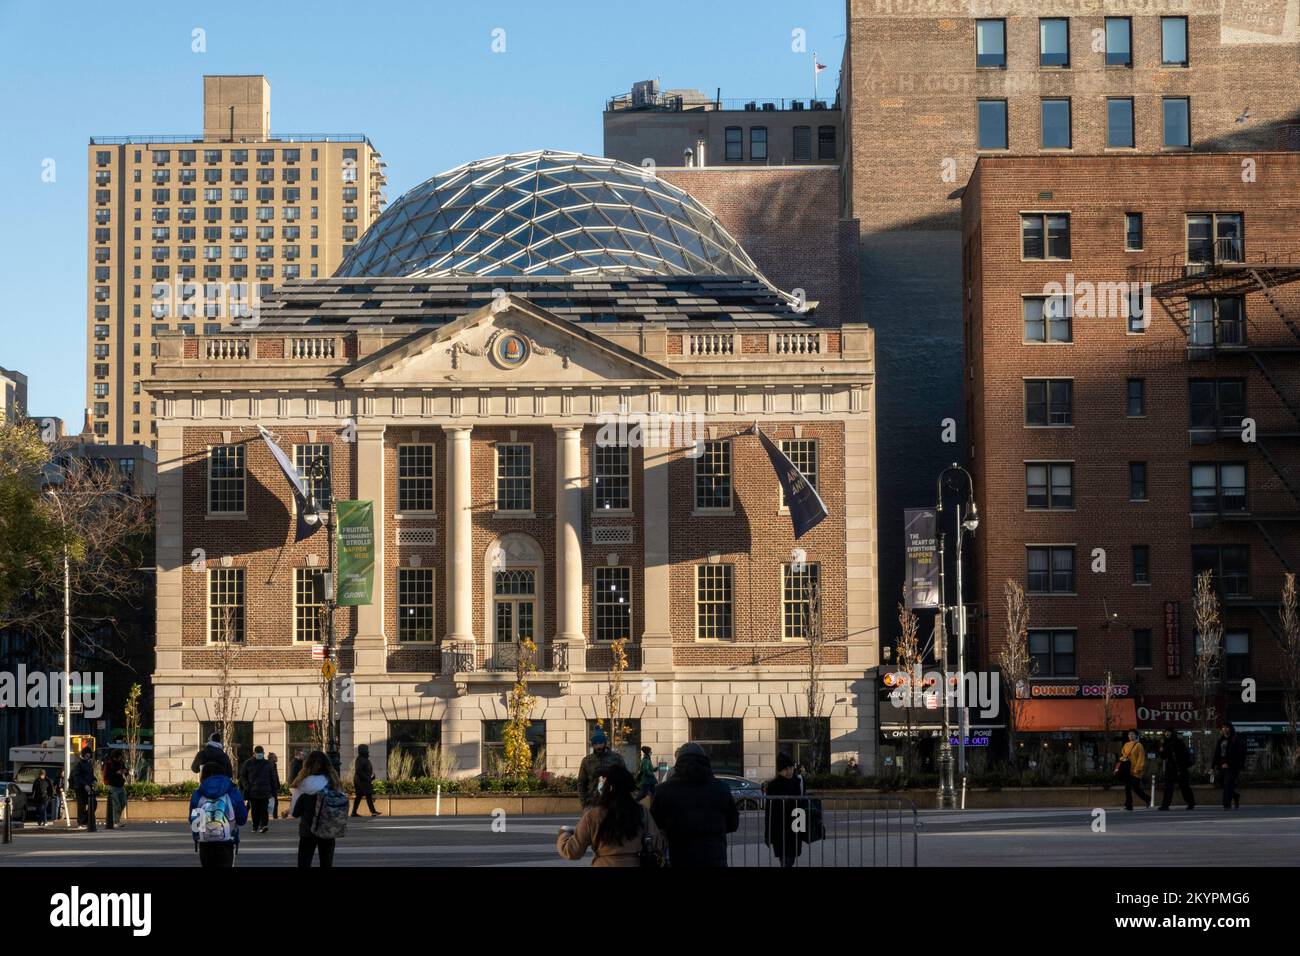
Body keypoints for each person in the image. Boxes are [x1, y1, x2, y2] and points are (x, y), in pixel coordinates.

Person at [650, 742, 739, 867]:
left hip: (680, 857)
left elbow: (655, 824)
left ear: (678, 762)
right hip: (714, 857)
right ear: (705, 761)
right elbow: (733, 824)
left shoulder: (664, 790)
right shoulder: (721, 788)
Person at [556, 763, 663, 866]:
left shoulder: (593, 815)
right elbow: (657, 843)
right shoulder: (641, 811)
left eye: (603, 780)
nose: (601, 783)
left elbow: (571, 851)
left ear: (609, 786)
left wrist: (564, 834)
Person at [189, 762, 248, 867]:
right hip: (227, 841)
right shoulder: (232, 791)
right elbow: (242, 819)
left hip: (205, 843)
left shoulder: (197, 794)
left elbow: (193, 821)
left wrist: (197, 837)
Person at [291, 750, 343, 868]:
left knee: (304, 862)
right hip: (328, 829)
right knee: (326, 863)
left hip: (308, 830)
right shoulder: (333, 783)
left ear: (308, 765)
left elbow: (295, 812)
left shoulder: (304, 784)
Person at [764, 752, 807, 867]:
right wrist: (768, 834)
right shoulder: (773, 785)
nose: (789, 771)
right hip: (779, 827)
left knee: (791, 858)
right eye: (786, 769)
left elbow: (804, 802)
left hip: (795, 824)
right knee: (785, 859)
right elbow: (769, 810)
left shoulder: (799, 781)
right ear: (780, 770)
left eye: (791, 767)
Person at [577, 730, 626, 807]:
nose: (598, 746)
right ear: (592, 745)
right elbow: (581, 783)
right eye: (595, 744)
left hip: (613, 803)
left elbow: (625, 779)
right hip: (593, 803)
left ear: (605, 743)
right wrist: (584, 804)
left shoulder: (616, 758)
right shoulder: (587, 761)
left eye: (600, 743)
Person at [239, 745, 277, 833]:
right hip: (253, 791)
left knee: (264, 809)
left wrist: (273, 790)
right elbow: (243, 776)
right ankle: (255, 826)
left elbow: (272, 777)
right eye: (258, 753)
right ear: (254, 754)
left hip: (265, 791)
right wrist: (246, 786)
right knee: (255, 810)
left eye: (261, 753)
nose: (260, 755)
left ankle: (264, 825)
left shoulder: (268, 764)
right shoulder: (248, 763)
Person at [1157, 729, 1195, 811]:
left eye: (1169, 731)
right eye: (1166, 732)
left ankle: (1191, 803)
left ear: (1172, 733)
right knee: (1168, 787)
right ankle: (1165, 805)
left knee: (1184, 786)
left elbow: (1184, 754)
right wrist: (1161, 750)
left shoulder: (1178, 742)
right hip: (1171, 768)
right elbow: (1164, 757)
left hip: (1180, 767)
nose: (1167, 733)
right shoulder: (1165, 743)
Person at [1213, 723, 1247, 810]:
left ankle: (1226, 804)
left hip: (1233, 767)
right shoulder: (1220, 740)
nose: (1225, 729)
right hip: (1222, 766)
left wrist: (1230, 764)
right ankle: (1235, 796)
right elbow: (1217, 754)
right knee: (1221, 782)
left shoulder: (1235, 740)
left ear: (1230, 729)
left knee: (1227, 783)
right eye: (1223, 727)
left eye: (1227, 727)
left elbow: (1239, 754)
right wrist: (1212, 767)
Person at [1118, 730, 1151, 811]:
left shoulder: (1139, 745)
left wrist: (1138, 769)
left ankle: (1147, 799)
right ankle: (1128, 805)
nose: (1130, 736)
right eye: (1129, 734)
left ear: (1136, 736)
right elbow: (1122, 755)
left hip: (1135, 771)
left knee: (1136, 788)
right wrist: (1123, 758)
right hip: (1127, 770)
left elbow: (1141, 758)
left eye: (1132, 734)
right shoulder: (1126, 745)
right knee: (1127, 788)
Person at [70, 747, 98, 831]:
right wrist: (85, 785)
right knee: (81, 805)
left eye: (89, 755)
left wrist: (94, 780)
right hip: (80, 788)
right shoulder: (78, 764)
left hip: (88, 787)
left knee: (93, 803)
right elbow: (77, 777)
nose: (88, 756)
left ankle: (85, 819)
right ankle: (81, 822)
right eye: (87, 754)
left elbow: (91, 775)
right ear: (83, 754)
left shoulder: (89, 764)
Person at [350, 744, 381, 817]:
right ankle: (372, 811)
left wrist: (370, 777)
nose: (368, 752)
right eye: (366, 750)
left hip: (362, 781)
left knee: (360, 796)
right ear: (363, 751)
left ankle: (354, 812)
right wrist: (368, 778)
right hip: (361, 781)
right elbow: (359, 771)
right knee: (367, 795)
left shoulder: (362, 759)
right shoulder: (360, 759)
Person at [104, 751, 128, 829]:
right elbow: (107, 775)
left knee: (123, 802)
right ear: (114, 757)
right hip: (113, 786)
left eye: (120, 757)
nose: (119, 759)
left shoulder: (121, 762)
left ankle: (117, 820)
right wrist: (116, 773)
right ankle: (115, 821)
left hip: (121, 785)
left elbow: (125, 769)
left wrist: (125, 771)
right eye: (118, 758)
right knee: (116, 804)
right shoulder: (109, 763)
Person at [268, 753, 281, 820]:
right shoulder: (270, 765)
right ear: (272, 758)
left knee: (275, 801)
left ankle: (274, 815)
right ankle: (274, 815)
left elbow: (276, 776)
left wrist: (278, 785)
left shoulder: (273, 765)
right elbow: (272, 777)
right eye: (275, 756)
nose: (276, 757)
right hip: (271, 787)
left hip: (273, 786)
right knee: (274, 801)